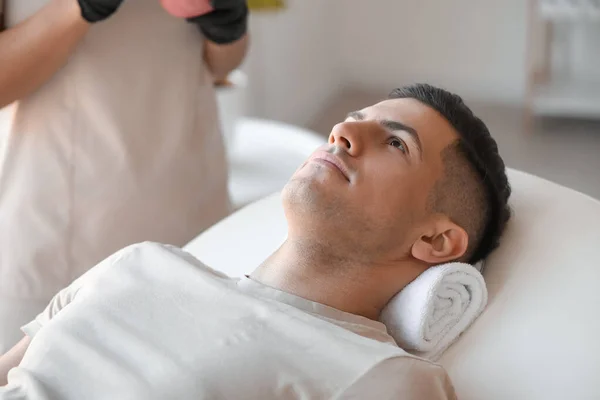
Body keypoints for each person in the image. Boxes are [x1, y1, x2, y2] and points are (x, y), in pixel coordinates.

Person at [0, 84, 511, 399]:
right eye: (352, 123)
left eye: (396, 143)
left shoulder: (377, 377)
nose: (340, 133)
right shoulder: (140, 262)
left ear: (438, 239)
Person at [0, 0, 248, 352]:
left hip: (190, 212)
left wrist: (228, 27)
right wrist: (78, 8)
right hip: (52, 240)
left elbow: (219, 65)